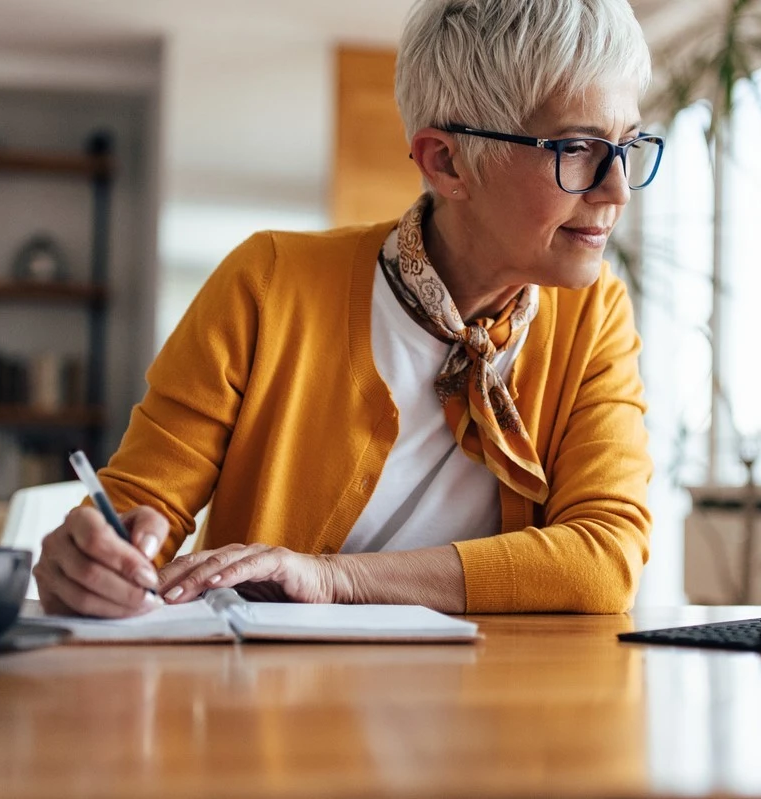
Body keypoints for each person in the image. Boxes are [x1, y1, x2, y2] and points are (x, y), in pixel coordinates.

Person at [35, 0, 661, 617]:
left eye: (628, 145)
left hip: (494, 708)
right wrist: (92, 559)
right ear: (446, 161)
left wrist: (336, 580)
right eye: (577, 148)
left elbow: (604, 559)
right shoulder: (269, 283)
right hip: (272, 709)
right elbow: (141, 507)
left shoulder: (594, 314)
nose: (617, 189)